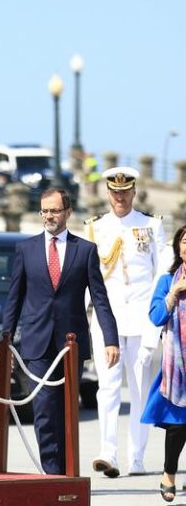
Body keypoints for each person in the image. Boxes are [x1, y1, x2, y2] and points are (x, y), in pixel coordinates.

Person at [2, 187, 119, 475]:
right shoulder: (26, 249)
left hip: (70, 344)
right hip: (37, 342)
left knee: (66, 409)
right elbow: (14, 298)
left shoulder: (85, 250)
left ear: (68, 212)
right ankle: (51, 474)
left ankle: (67, 473)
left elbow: (100, 299)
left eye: (55, 210)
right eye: (44, 211)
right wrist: (6, 339)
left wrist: (111, 339)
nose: (49, 216)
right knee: (44, 409)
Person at [85, 166, 167, 477]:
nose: (120, 197)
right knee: (107, 387)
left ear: (133, 192)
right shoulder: (95, 228)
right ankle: (108, 453)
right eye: (115, 192)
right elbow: (88, 278)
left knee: (140, 389)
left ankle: (137, 457)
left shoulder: (151, 226)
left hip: (141, 318)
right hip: (107, 319)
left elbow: (161, 275)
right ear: (108, 194)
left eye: (125, 192)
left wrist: (155, 324)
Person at [141, 224, 186, 503]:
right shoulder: (168, 280)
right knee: (178, 424)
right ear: (178, 247)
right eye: (185, 241)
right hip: (178, 366)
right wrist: (173, 293)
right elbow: (156, 317)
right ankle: (169, 474)